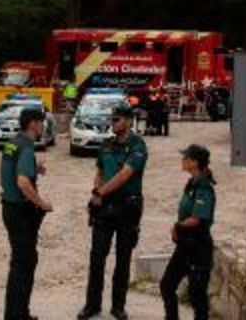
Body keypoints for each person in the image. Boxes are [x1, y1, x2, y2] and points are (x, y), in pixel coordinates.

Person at [78, 104, 148, 320]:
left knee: (123, 259)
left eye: (117, 119)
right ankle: (92, 305)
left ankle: (118, 306)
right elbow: (99, 170)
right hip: (104, 207)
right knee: (97, 257)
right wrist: (95, 191)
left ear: (128, 121)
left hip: (127, 206)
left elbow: (125, 175)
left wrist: (100, 192)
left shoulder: (138, 145)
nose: (113, 122)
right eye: (112, 118)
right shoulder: (106, 144)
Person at [1, 106, 53, 320]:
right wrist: (41, 203)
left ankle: (16, 312)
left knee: (19, 263)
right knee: (24, 265)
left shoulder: (13, 143)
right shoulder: (26, 147)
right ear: (33, 123)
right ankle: (18, 315)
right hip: (21, 212)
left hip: (9, 208)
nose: (43, 125)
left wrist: (34, 167)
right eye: (41, 121)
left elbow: (14, 170)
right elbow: (22, 182)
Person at [160, 143, 215, 320]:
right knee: (167, 285)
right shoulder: (192, 184)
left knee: (197, 295)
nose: (182, 160)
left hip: (198, 246)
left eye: (186, 157)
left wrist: (177, 226)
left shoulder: (204, 187)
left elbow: (197, 218)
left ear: (194, 162)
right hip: (185, 245)